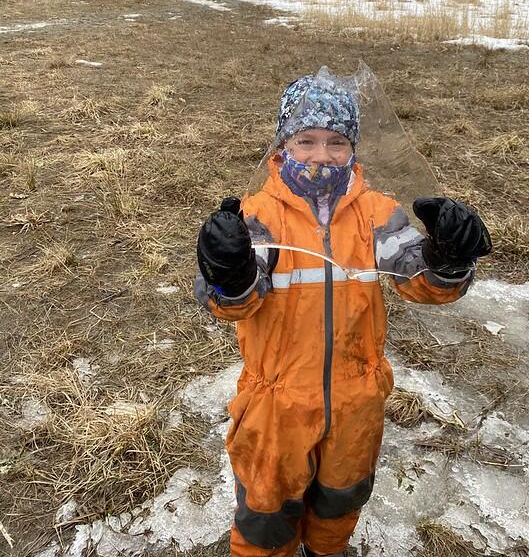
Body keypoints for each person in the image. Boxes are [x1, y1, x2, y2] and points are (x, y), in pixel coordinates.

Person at [194, 72, 491, 557]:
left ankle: (328, 550)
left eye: (336, 142)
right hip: (276, 406)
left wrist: (448, 260)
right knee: (267, 512)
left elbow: (422, 284)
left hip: (357, 401)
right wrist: (229, 273)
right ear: (283, 142)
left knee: (342, 497)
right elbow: (233, 303)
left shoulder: (376, 214)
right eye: (305, 140)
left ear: (352, 146)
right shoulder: (258, 217)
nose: (321, 155)